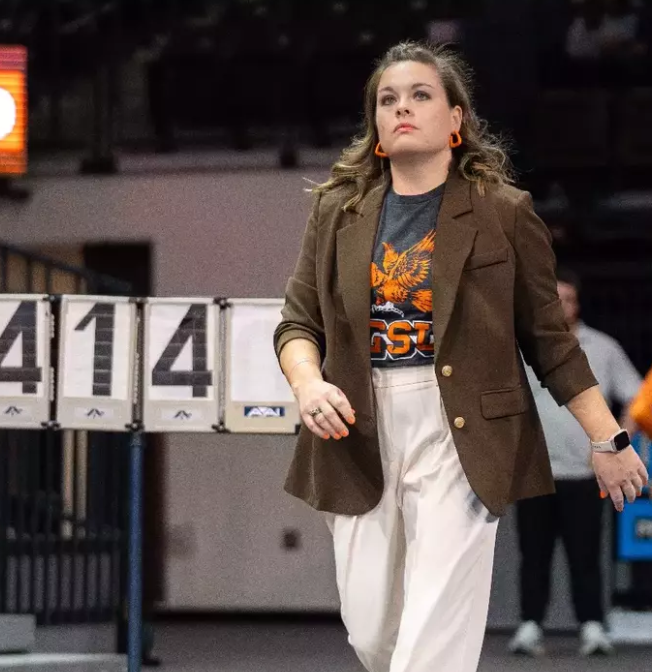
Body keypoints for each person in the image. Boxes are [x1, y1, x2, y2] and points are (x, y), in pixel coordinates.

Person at [273, 41, 647, 672]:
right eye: (387, 99)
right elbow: (297, 323)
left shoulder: (504, 212)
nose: (402, 108)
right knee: (372, 634)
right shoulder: (338, 211)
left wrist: (608, 441)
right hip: (356, 425)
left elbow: (551, 342)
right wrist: (308, 384)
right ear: (377, 127)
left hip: (464, 428)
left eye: (421, 95)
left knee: (433, 627)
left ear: (456, 120)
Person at [509, 267, 642, 657]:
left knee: (585, 555)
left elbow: (638, 399)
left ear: (577, 304)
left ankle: (592, 627)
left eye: (566, 299)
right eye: (552, 299)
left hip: (585, 471)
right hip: (535, 471)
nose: (559, 306)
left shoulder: (602, 347)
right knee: (532, 555)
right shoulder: (522, 346)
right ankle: (530, 625)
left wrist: (616, 445)